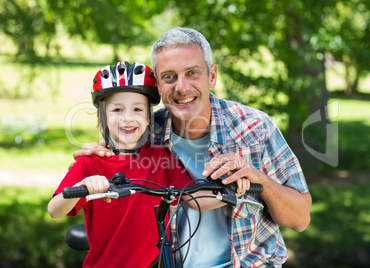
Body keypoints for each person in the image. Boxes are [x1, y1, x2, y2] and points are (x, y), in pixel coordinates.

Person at [73, 28, 312, 268]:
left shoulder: (255, 129)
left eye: (192, 73)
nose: (182, 87)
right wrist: (96, 157)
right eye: (169, 77)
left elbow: (300, 218)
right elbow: (111, 167)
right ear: (157, 84)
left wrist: (258, 179)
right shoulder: (144, 131)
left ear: (212, 76)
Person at [49, 61, 250, 267]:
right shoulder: (90, 163)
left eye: (137, 109)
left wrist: (235, 188)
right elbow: (55, 210)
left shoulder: (162, 158)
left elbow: (196, 198)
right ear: (102, 119)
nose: (127, 118)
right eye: (117, 110)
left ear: (148, 118)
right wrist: (81, 188)